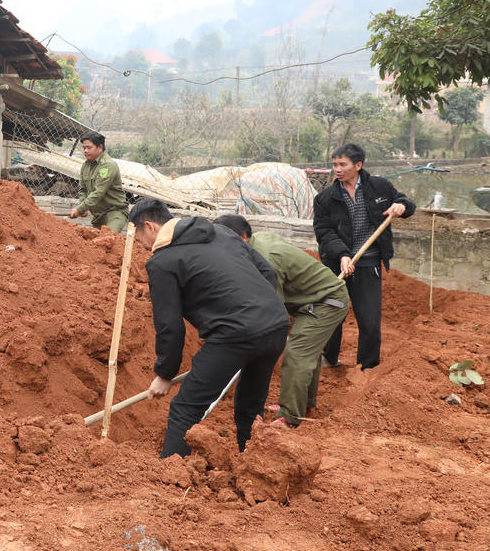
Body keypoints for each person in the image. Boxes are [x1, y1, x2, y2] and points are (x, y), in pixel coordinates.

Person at [129, 198, 288, 458]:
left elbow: (169, 325)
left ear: (149, 227)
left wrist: (165, 374)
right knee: (250, 406)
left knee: (185, 408)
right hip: (275, 324)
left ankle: (170, 477)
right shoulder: (221, 232)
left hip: (235, 334)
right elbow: (267, 272)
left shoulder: (162, 262)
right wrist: (258, 315)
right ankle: (253, 465)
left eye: (139, 239)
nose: (142, 247)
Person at [216, 214, 350, 426]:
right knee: (308, 353)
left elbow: (271, 309)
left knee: (297, 353)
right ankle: (304, 404)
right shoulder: (257, 241)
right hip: (311, 300)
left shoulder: (265, 259)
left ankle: (289, 417)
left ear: (242, 238)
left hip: (327, 303)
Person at [312, 143, 414, 371]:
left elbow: (407, 203)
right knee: (333, 313)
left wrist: (401, 205)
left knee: (369, 320)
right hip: (336, 264)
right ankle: (329, 358)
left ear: (358, 165)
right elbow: (324, 232)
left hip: (368, 264)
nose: (337, 169)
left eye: (342, 164)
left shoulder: (380, 187)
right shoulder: (325, 198)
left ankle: (367, 367)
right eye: (335, 164)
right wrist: (343, 255)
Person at [67, 130, 128, 232]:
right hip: (98, 216)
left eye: (89, 148)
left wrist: (79, 209)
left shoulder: (107, 165)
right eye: (84, 148)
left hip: (114, 212)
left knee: (108, 239)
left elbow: (98, 192)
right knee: (95, 244)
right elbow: (83, 190)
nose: (85, 151)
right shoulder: (85, 166)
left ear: (100, 147)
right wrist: (83, 207)